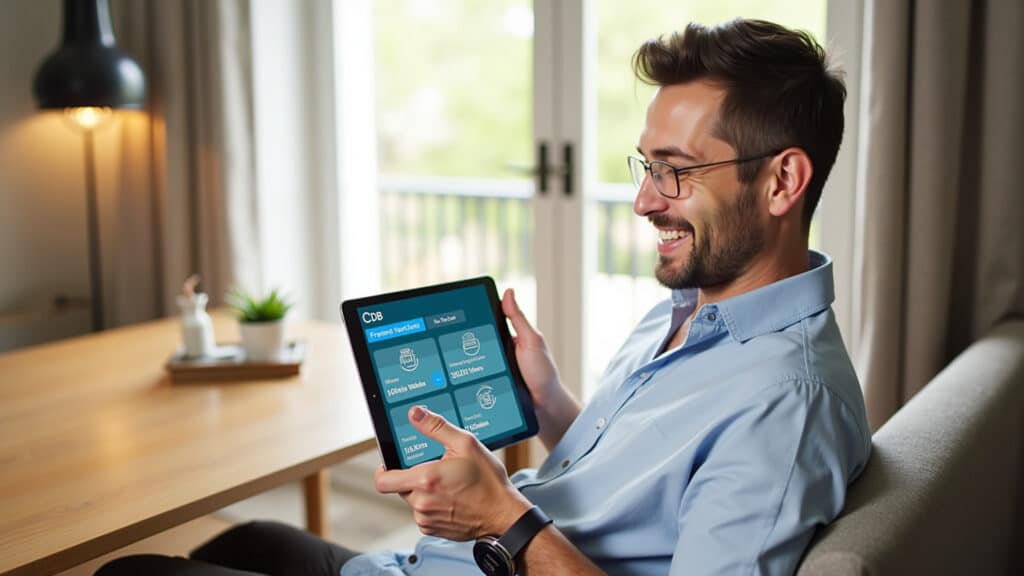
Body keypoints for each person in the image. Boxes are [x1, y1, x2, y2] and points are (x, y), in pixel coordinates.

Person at [98, 17, 871, 576]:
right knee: (245, 541)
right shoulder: (698, 306)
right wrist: (552, 399)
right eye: (644, 163)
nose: (642, 201)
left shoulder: (785, 403)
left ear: (782, 181)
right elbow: (633, 496)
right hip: (436, 562)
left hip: (488, 558)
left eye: (675, 170)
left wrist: (503, 517)